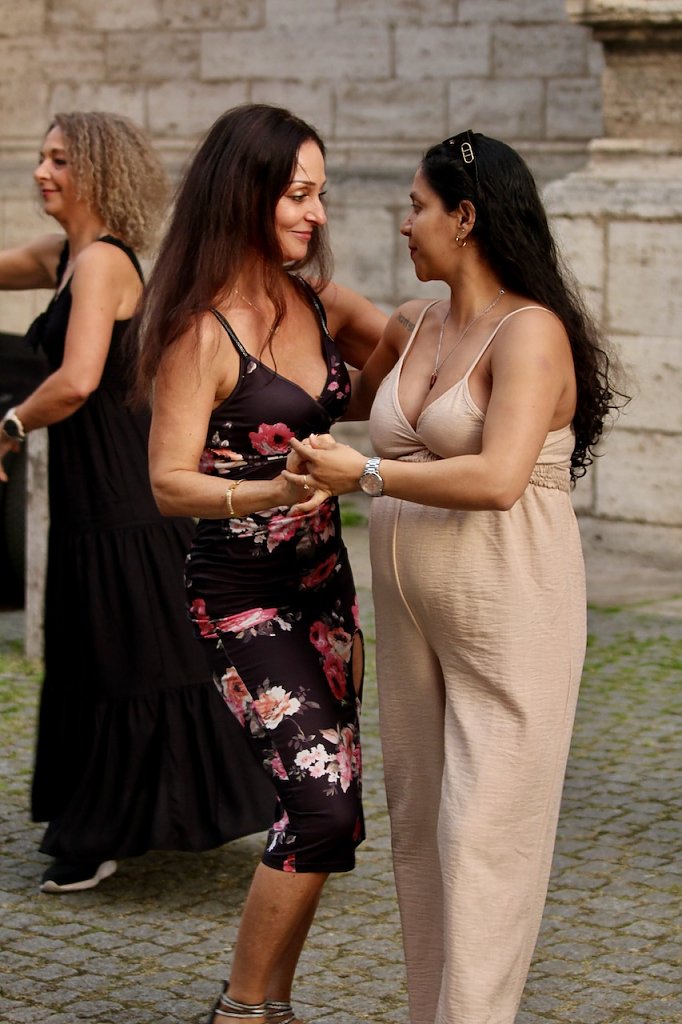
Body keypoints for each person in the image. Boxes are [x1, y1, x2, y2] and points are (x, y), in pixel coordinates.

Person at [284, 130, 623, 1024]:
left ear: (465, 218)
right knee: (423, 838)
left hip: (511, 607)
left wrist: (364, 475)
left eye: (418, 207)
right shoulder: (416, 323)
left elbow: (499, 477)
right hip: (411, 623)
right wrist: (272, 295)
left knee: (483, 841)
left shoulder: (532, 332)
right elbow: (330, 391)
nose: (405, 224)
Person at [134, 104, 387, 1024]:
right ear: (246, 194)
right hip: (241, 600)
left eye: (320, 194)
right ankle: (241, 1012)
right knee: (319, 803)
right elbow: (168, 483)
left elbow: (402, 366)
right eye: (298, 194)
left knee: (329, 813)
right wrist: (270, 491)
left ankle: (269, 1007)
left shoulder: (319, 303)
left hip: (326, 590)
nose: (316, 212)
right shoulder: (200, 331)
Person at [0, 111, 277, 895]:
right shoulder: (65, 257)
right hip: (91, 497)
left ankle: (121, 827)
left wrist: (10, 426)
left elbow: (78, 379)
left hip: (125, 496)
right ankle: (109, 818)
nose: (42, 171)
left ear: (98, 171)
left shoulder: (102, 264)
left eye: (60, 159)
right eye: (41, 156)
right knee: (104, 655)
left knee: (142, 657)